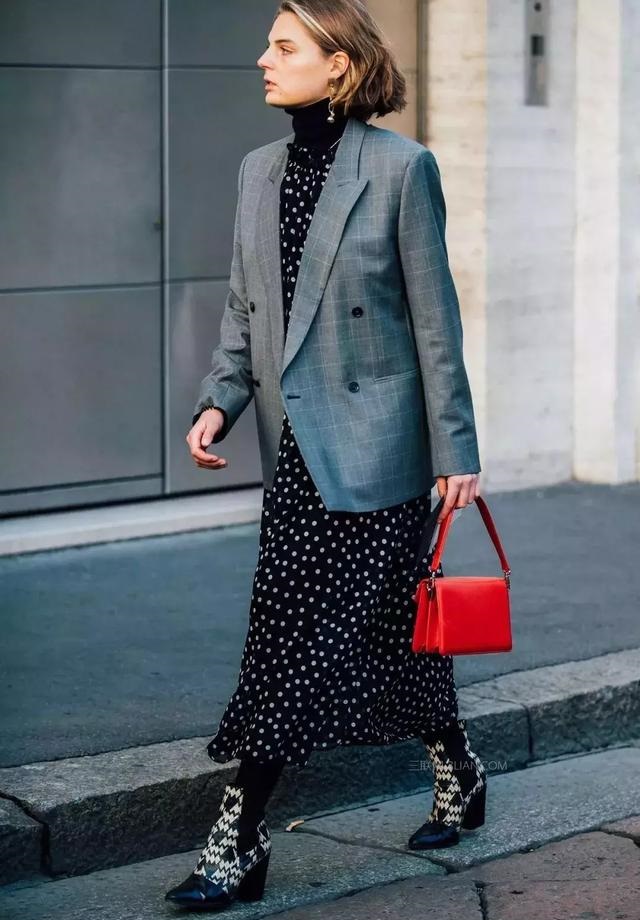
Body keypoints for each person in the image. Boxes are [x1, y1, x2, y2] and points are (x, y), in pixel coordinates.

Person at [166, 0, 486, 910]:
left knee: (295, 641)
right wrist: (219, 401)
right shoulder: (258, 170)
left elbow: (435, 321)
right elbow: (245, 307)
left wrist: (456, 448)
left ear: (339, 65)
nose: (262, 59)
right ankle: (461, 771)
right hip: (296, 451)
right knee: (384, 631)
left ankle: (238, 839)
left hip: (380, 451)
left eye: (284, 46)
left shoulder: (401, 168)